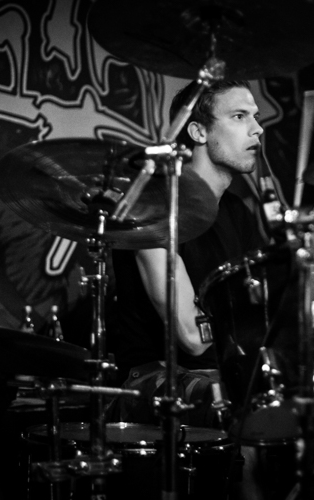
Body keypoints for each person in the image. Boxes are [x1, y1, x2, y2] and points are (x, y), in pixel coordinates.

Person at [107, 79, 267, 428]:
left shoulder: (237, 212)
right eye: (239, 116)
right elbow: (192, 338)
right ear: (198, 131)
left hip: (224, 369)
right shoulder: (154, 206)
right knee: (242, 403)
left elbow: (259, 316)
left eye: (255, 117)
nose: (257, 129)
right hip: (154, 378)